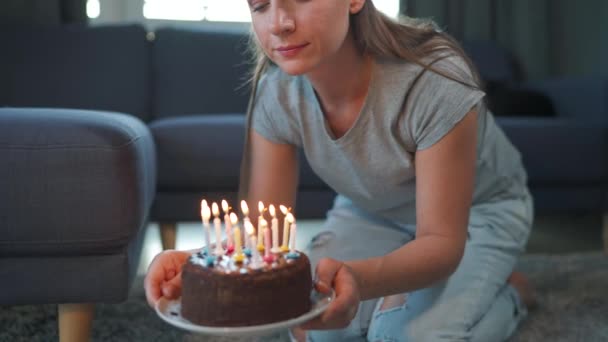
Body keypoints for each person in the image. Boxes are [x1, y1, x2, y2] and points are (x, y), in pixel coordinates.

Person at [145, 0, 536, 341]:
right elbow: (258, 235)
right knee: (310, 324)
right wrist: (200, 264)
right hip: (371, 210)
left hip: (478, 214)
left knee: (401, 335)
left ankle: (510, 295)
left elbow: (440, 242)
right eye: (260, 4)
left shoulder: (433, 78)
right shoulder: (275, 92)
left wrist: (361, 280)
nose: (279, 22)